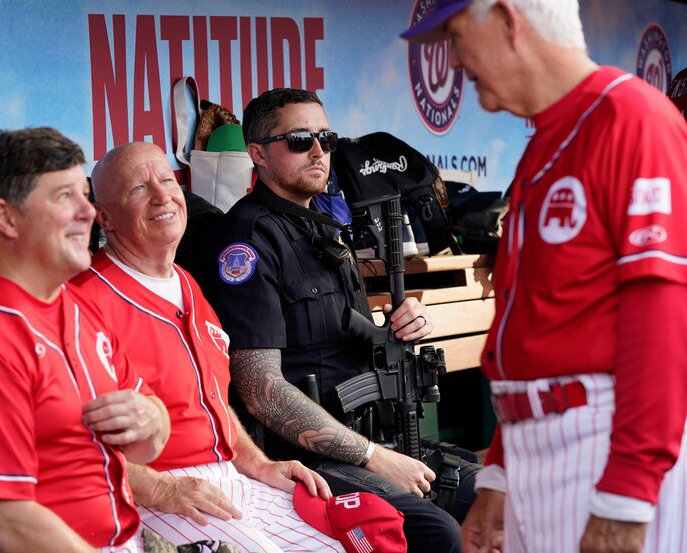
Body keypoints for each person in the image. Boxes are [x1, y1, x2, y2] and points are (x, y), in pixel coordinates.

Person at [401, 1, 687, 552]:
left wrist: (628, 495)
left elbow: (664, 327)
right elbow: (534, 335)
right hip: (535, 443)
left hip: (605, 442)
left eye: (459, 36)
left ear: (509, 20)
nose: (455, 61)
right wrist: (499, 478)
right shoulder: (545, 143)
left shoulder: (632, 116)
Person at [198, 88, 463, 553]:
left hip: (377, 437)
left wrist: (404, 322)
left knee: (496, 496)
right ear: (257, 153)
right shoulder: (248, 239)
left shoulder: (322, 226)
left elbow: (347, 332)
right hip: (310, 461)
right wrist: (374, 457)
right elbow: (259, 389)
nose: (319, 150)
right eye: (300, 139)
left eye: (327, 137)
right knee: (437, 533)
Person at [0, 127, 170, 553]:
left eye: (85, 194)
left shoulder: (75, 306)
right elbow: (3, 522)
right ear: (6, 218)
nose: (89, 212)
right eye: (65, 197)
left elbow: (150, 437)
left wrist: (152, 421)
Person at [71, 141, 345, 552]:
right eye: (139, 189)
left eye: (167, 180)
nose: (163, 196)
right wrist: (161, 490)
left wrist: (260, 464)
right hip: (157, 494)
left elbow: (209, 400)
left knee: (355, 540)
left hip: (231, 479)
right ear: (105, 218)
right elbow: (69, 448)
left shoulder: (185, 282)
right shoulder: (83, 304)